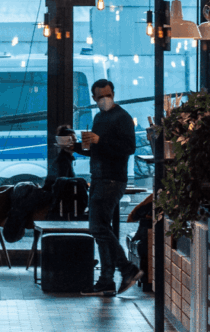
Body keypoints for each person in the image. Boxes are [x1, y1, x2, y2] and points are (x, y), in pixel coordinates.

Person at [74, 79, 144, 296]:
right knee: (101, 230)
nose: (105, 99)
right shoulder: (99, 117)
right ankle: (106, 281)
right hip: (98, 178)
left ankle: (127, 268)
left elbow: (128, 148)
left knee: (97, 228)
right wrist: (75, 147)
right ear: (94, 99)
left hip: (112, 179)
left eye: (108, 95)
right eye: (100, 97)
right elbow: (95, 149)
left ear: (113, 94)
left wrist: (99, 141)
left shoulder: (122, 117)